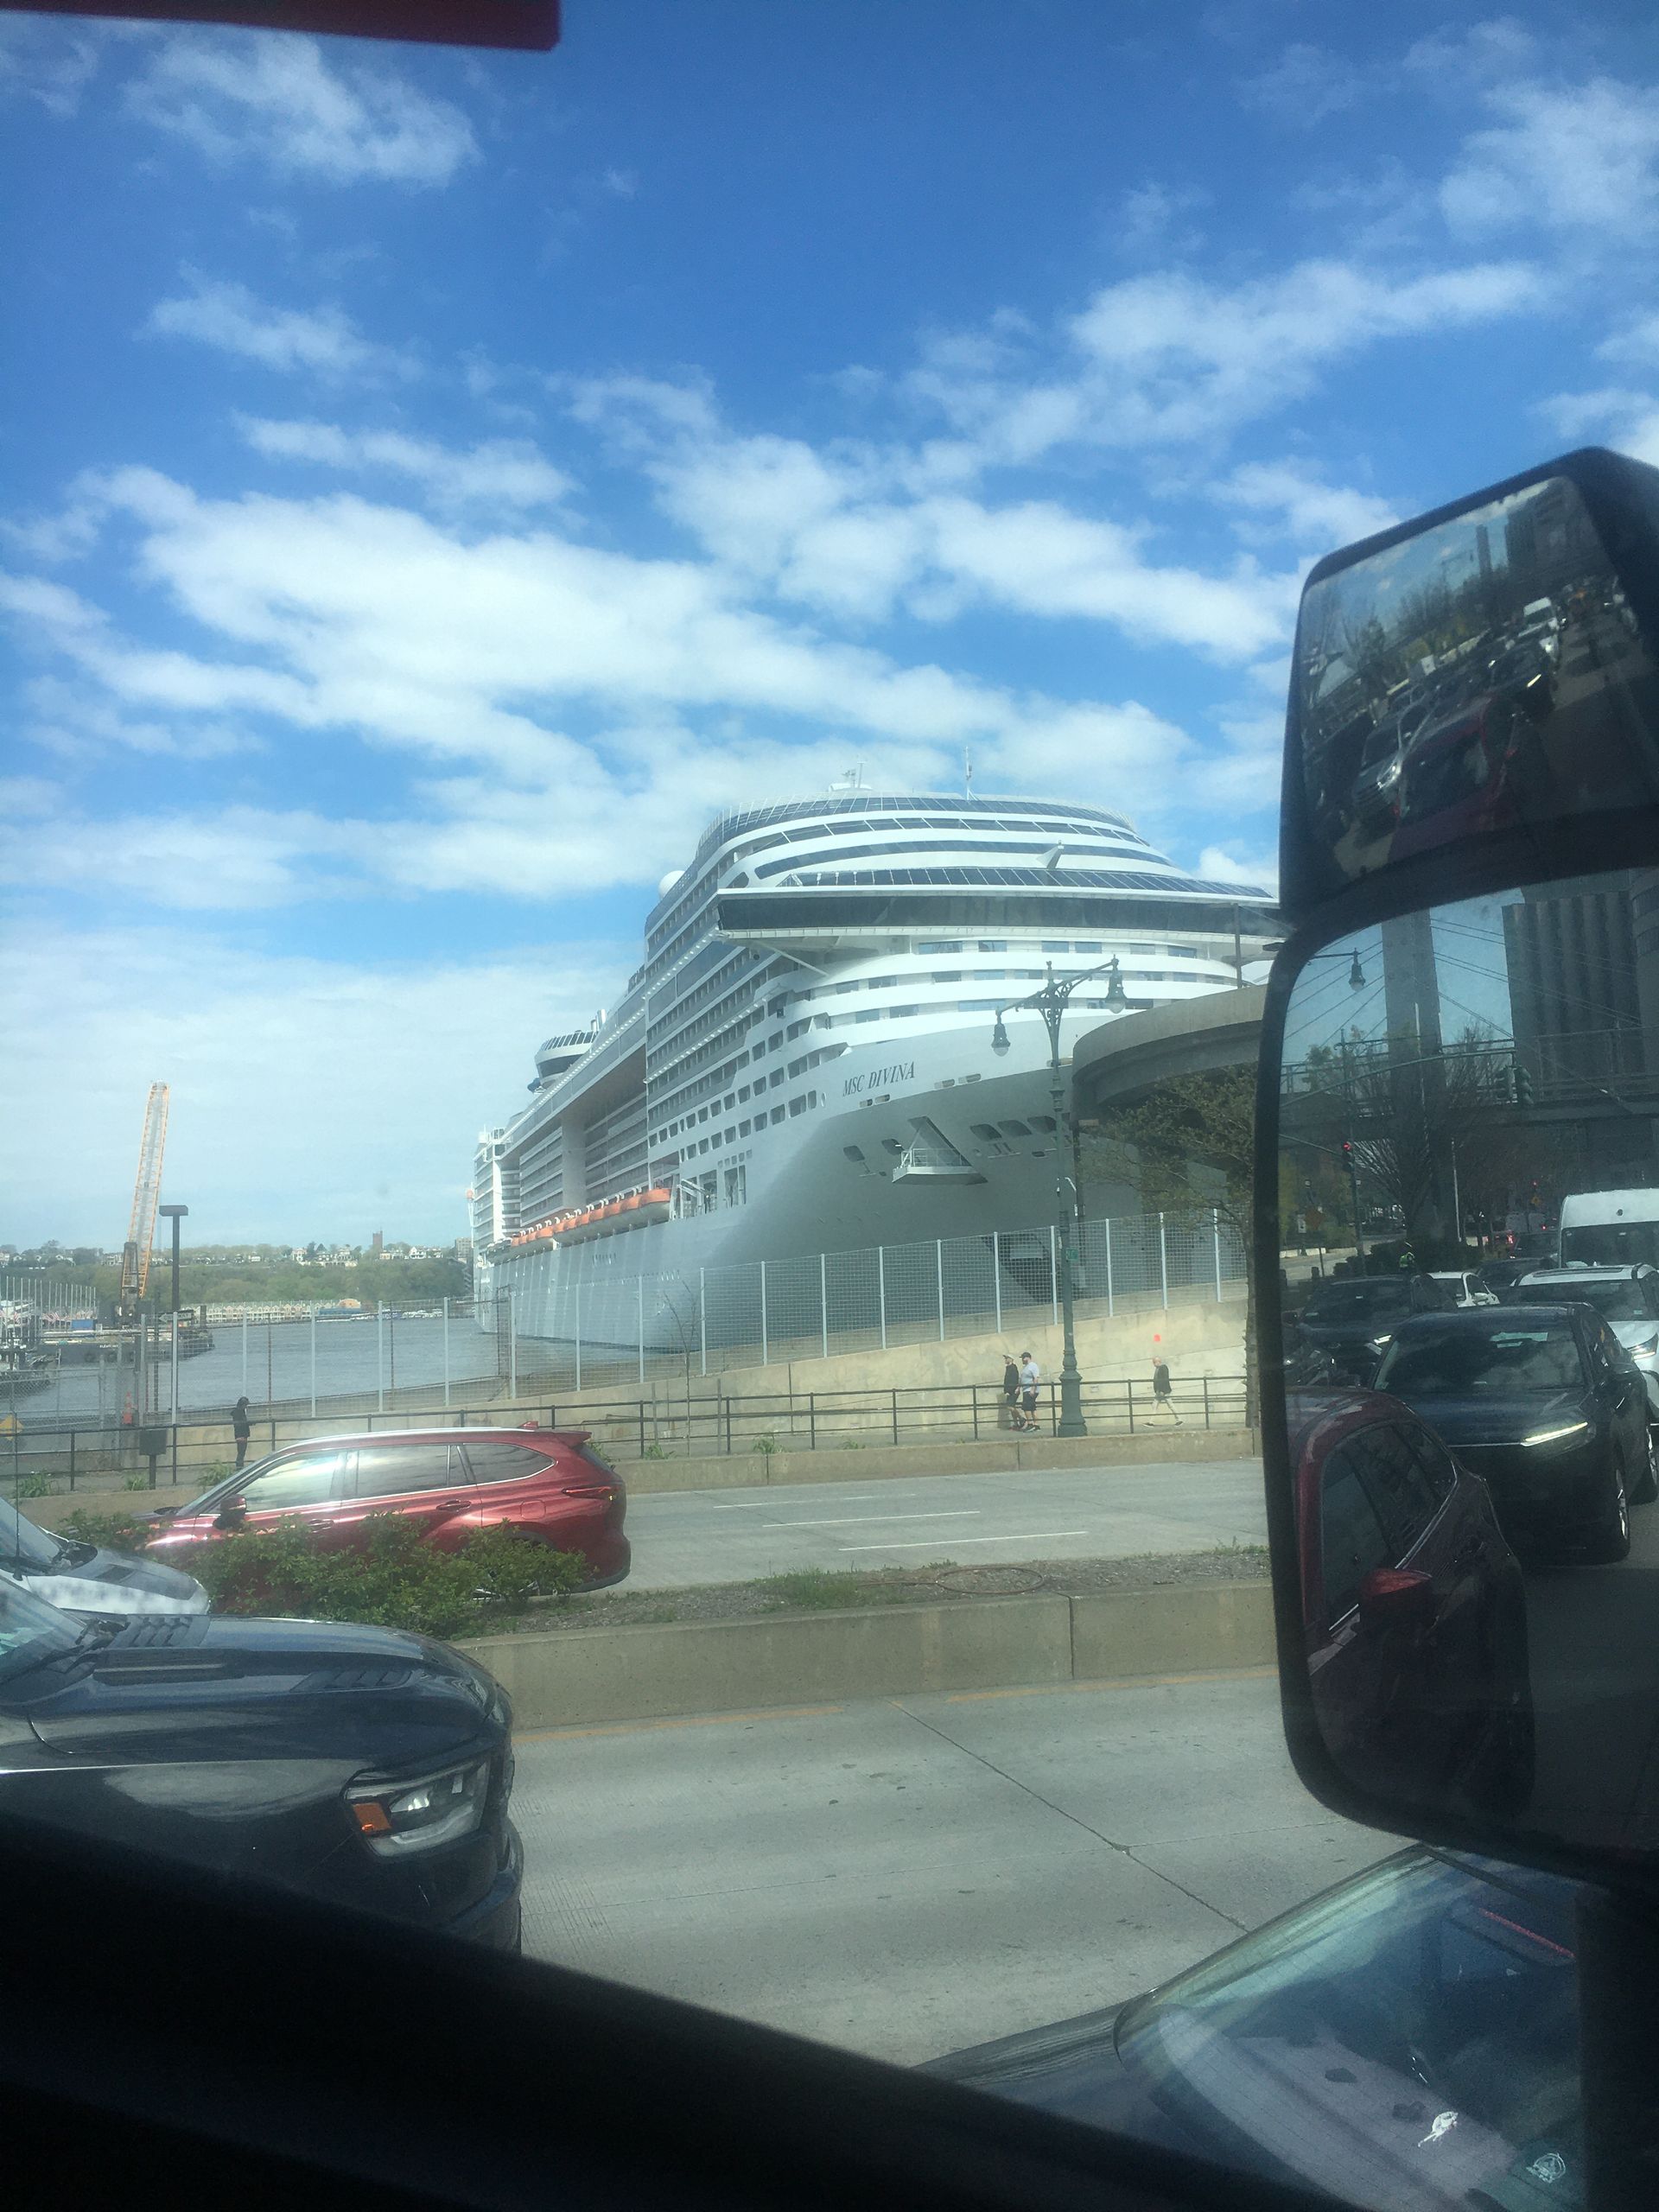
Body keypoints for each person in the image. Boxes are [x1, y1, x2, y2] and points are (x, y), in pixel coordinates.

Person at [1151, 1357, 1181, 1424]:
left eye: (1154, 1362)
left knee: (1170, 1405)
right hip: (1160, 1391)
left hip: (1163, 1391)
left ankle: (1179, 1420)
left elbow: (1165, 1379)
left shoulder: (1163, 1368)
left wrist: (1162, 1390)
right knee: (1155, 1405)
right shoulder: (1158, 1369)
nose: (1154, 1364)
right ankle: (1151, 1422)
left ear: (1158, 1362)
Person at [1018, 1350, 1040, 1431]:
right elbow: (1021, 1379)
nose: (1022, 1360)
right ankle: (1036, 1425)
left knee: (1026, 1407)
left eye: (1023, 1358)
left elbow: (1036, 1378)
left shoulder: (1033, 1366)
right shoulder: (1025, 1367)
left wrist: (1033, 1389)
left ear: (1027, 1358)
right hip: (1026, 1389)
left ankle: (1030, 1424)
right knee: (1032, 1408)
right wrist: (1018, 1388)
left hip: (1029, 1389)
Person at [1001, 1353, 1022, 1429]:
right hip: (1009, 1391)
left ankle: (1021, 1418)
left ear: (1011, 1359)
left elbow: (1015, 1379)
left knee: (1010, 1407)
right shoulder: (1008, 1368)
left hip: (1013, 1390)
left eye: (1007, 1358)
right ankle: (1016, 1424)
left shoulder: (1013, 1367)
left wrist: (1017, 1388)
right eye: (1005, 1358)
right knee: (1011, 1407)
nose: (1005, 1359)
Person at [232, 1395, 251, 1469]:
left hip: (241, 1435)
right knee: (241, 1452)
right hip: (241, 1435)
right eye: (245, 1405)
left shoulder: (238, 1412)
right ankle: (239, 1466)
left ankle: (240, 1466)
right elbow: (240, 1424)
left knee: (241, 1452)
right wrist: (247, 1423)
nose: (246, 1407)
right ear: (242, 1405)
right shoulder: (238, 1412)